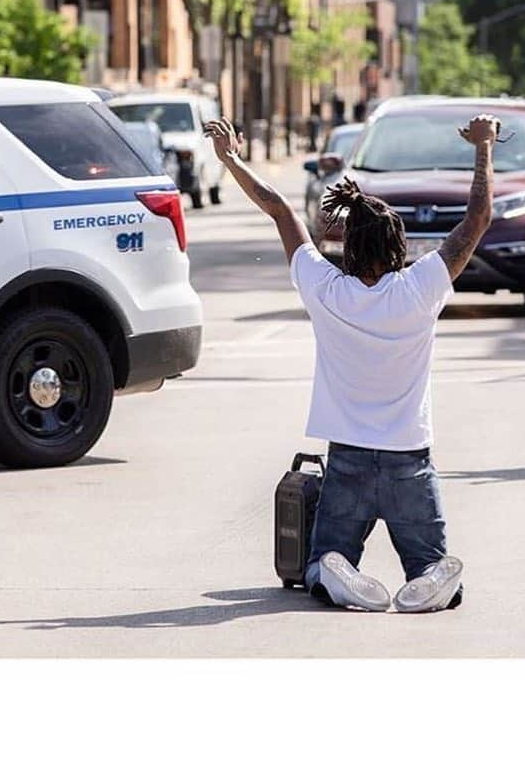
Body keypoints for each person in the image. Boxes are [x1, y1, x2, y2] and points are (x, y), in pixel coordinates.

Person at [203, 112, 499, 612]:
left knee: (321, 560)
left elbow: (279, 210)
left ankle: (337, 572)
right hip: (410, 461)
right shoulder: (419, 288)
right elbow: (477, 219)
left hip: (349, 462)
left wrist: (230, 158)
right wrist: (483, 146)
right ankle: (428, 579)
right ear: (397, 246)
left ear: (347, 245)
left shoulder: (326, 291)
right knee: (430, 561)